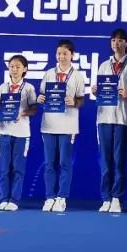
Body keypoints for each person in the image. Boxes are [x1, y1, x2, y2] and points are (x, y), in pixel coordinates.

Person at [93, 28, 127, 213]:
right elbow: (99, 91)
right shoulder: (104, 65)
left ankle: (116, 198)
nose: (116, 43)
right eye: (114, 40)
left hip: (122, 118)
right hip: (104, 117)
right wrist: (96, 91)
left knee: (119, 159)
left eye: (120, 40)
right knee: (105, 160)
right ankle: (105, 197)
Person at [37, 39, 87, 213]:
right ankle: (49, 197)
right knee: (49, 163)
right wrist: (40, 98)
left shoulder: (77, 76)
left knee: (65, 163)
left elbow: (81, 100)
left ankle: (62, 197)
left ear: (72, 55)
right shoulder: (49, 73)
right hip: (49, 125)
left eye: (65, 53)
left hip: (68, 126)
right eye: (59, 53)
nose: (61, 56)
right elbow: (42, 94)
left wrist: (74, 102)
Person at [0, 54, 37, 211]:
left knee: (18, 169)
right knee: (4, 168)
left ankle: (14, 200)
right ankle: (3, 199)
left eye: (18, 67)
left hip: (22, 133)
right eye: (11, 66)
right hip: (4, 132)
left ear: (24, 69)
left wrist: (22, 113)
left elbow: (34, 109)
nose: (14, 69)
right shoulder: (2, 87)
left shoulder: (28, 88)